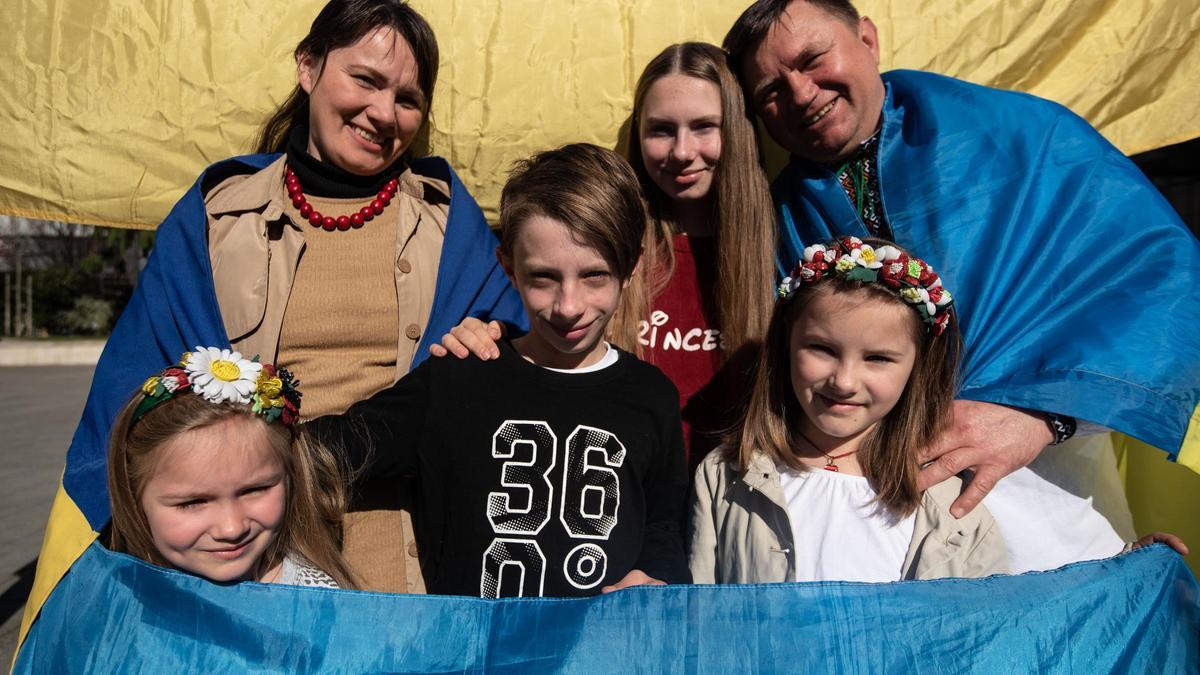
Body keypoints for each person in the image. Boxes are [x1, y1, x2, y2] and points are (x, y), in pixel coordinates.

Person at [43, 0, 525, 598]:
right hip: (246, 548)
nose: (383, 112)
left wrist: (487, 344)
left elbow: (511, 368)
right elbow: (139, 397)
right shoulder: (217, 215)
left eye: (407, 98)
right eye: (365, 80)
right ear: (308, 67)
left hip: (410, 551)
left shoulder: (451, 223)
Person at [722, 0, 1200, 572]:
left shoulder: (1023, 137)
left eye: (813, 58)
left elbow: (1161, 276)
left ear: (867, 40)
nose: (801, 95)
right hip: (885, 544)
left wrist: (1047, 419)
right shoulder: (778, 221)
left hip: (1049, 510)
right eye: (771, 91)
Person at [690, 238, 1188, 583]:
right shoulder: (725, 477)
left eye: (879, 358)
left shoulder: (950, 500)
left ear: (916, 369)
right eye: (821, 349)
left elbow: (1008, 617)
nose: (843, 381)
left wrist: (1124, 576)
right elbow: (695, 623)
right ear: (784, 345)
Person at [315, 144, 690, 597]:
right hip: (472, 660)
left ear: (631, 267)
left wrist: (654, 576)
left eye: (594, 276)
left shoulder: (652, 395)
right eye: (543, 278)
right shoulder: (458, 376)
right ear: (509, 269)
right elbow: (321, 456)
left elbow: (665, 526)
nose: (568, 306)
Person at [435, 42, 778, 467]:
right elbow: (535, 327)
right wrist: (485, 337)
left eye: (705, 126)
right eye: (661, 130)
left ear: (738, 131)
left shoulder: (774, 247)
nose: (683, 151)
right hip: (620, 493)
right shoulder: (604, 248)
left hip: (733, 495)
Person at [107, 347, 355, 589]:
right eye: (192, 502)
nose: (231, 528)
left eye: (254, 490)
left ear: (290, 477)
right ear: (133, 497)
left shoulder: (314, 599)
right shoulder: (111, 599)